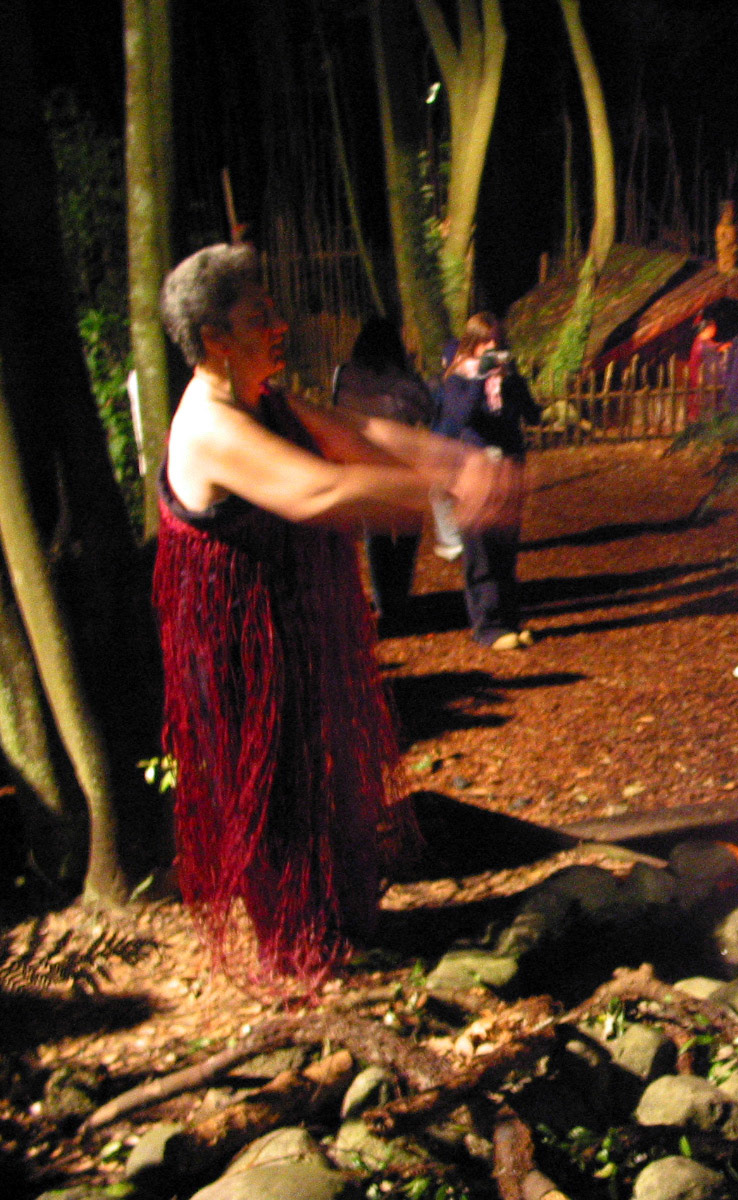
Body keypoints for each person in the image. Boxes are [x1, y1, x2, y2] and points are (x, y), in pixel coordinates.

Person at [154, 244, 518, 985]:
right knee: (280, 798)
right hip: (240, 663)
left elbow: (360, 435)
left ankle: (351, 932)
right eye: (260, 316)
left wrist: (453, 462)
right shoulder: (210, 423)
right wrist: (438, 500)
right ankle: (304, 964)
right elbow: (315, 492)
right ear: (215, 338)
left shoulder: (267, 399)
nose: (280, 324)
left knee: (338, 789)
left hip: (295, 638)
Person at [434, 312, 539, 650]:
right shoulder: (458, 379)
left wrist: (514, 381)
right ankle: (488, 626)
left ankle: (510, 621)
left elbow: (532, 414)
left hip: (507, 470)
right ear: (472, 344)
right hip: (474, 473)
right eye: (485, 342)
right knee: (480, 551)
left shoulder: (507, 379)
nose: (492, 348)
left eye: (497, 341)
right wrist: (481, 377)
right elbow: (460, 416)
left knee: (505, 549)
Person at [331, 316, 435, 632]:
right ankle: (400, 598)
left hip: (366, 462)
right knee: (405, 535)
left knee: (376, 535)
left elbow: (337, 410)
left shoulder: (345, 375)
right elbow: (426, 410)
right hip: (403, 463)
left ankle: (383, 603)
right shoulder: (403, 378)